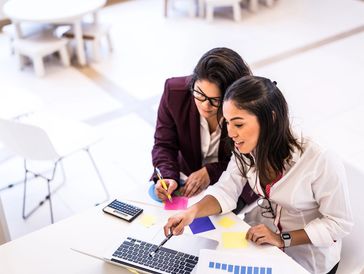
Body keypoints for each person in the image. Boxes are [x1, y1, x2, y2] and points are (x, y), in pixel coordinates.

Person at [163, 75, 353, 274]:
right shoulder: (246, 147)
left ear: (270, 118)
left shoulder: (318, 159)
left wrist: (282, 239)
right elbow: (226, 190)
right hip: (261, 243)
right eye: (227, 123)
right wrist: (189, 213)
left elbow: (339, 223)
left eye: (238, 124)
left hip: (305, 259)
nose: (231, 133)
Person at [151, 47, 257, 206]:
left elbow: (251, 159)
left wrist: (211, 172)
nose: (205, 105)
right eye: (199, 94)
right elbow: (164, 144)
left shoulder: (248, 108)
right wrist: (167, 176)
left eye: (216, 100)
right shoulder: (175, 92)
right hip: (186, 181)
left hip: (235, 186)